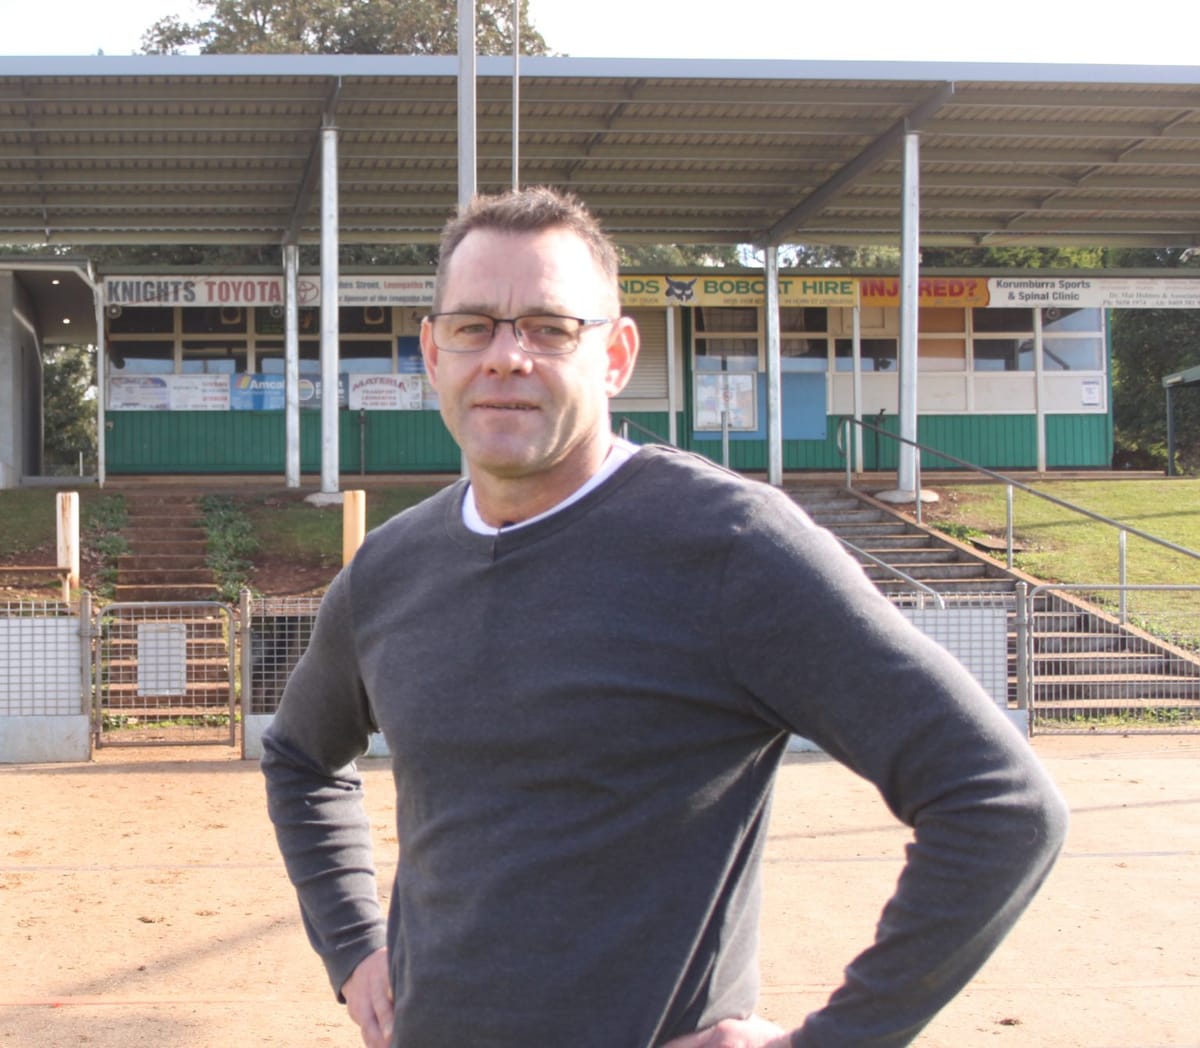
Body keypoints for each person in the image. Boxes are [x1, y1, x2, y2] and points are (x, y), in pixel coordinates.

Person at [260, 186, 1068, 1048]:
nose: (506, 357)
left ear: (616, 355)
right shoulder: (392, 566)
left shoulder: (730, 545)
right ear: (433, 351)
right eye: (473, 326)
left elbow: (999, 804)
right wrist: (353, 946)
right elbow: (301, 756)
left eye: (549, 326)